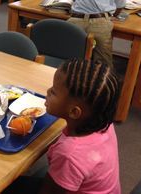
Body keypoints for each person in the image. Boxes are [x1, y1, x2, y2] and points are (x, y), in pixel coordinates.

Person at [40, 58, 121, 193]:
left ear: (74, 112)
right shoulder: (104, 123)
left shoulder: (69, 154)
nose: (47, 91)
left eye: (53, 91)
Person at [67, 0, 126, 67]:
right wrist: (113, 15)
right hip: (99, 20)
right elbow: (121, 4)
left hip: (75, 19)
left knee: (69, 58)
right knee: (103, 63)